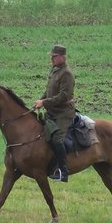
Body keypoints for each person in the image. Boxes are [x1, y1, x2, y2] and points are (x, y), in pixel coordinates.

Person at [32, 44, 75, 182]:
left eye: (54, 57)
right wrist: (41, 99)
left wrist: (44, 103)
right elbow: (49, 90)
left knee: (57, 139)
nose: (52, 59)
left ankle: (63, 171)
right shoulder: (54, 70)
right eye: (51, 56)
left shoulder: (67, 73)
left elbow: (64, 95)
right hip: (52, 111)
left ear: (62, 57)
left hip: (63, 114)